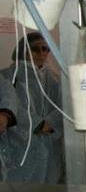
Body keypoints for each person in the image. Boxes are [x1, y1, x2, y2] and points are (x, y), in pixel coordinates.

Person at [0, 33, 64, 183]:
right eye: (36, 49)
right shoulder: (9, 75)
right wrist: (37, 124)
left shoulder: (54, 77)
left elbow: (64, 106)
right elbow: (11, 105)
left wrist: (51, 123)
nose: (42, 53)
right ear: (24, 50)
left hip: (50, 143)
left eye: (45, 49)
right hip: (20, 145)